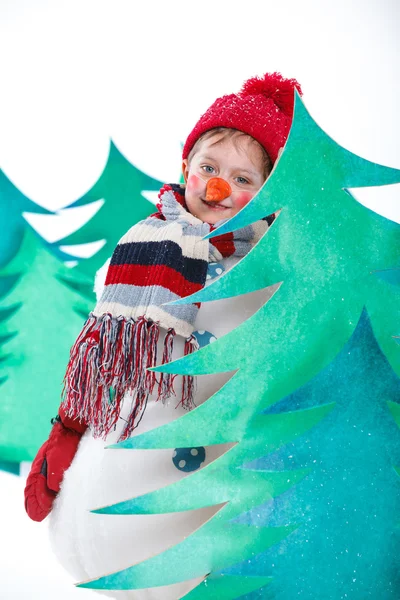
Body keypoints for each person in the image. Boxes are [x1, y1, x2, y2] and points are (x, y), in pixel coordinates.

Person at [24, 71, 302, 599]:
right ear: (186, 169)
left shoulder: (271, 275)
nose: (220, 187)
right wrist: (68, 429)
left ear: (268, 192)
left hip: (207, 489)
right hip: (121, 455)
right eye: (209, 167)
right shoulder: (141, 248)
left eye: (244, 180)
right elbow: (101, 362)